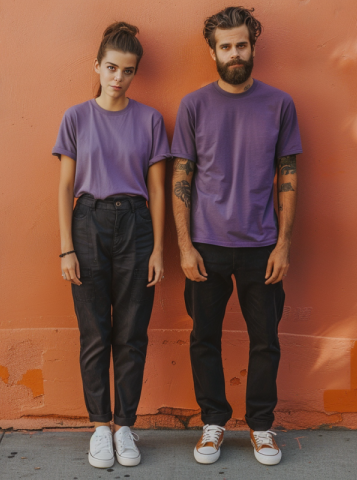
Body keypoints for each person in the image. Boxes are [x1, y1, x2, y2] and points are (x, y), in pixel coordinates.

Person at [171, 6, 302, 466]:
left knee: (265, 339)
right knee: (204, 337)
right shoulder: (193, 105)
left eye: (241, 44)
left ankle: (261, 428)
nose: (234, 53)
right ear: (212, 51)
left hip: (262, 245)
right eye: (225, 46)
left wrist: (283, 245)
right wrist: (185, 247)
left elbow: (288, 176)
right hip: (206, 246)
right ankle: (213, 422)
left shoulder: (279, 104)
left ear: (253, 45)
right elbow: (181, 178)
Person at [53, 22, 169, 469]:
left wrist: (159, 249)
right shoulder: (76, 117)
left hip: (137, 226)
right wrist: (66, 248)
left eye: (128, 70)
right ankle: (100, 427)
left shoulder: (150, 119)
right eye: (111, 68)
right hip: (88, 223)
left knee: (132, 333)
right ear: (97, 67)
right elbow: (65, 187)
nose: (118, 78)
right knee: (95, 332)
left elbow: (157, 190)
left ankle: (125, 427)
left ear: (136, 73)